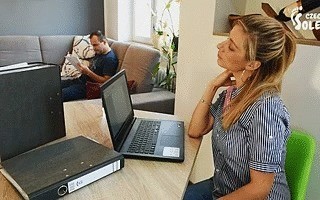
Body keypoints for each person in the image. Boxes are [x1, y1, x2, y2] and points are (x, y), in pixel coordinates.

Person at [184, 15, 296, 200]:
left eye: (231, 46)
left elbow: (259, 189)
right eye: (228, 39)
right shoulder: (232, 93)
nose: (220, 46)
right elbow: (196, 130)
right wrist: (211, 87)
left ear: (252, 64)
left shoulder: (266, 110)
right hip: (223, 188)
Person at [61, 30, 118, 102]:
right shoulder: (99, 53)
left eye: (95, 45)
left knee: (61, 94)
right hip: (80, 80)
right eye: (92, 45)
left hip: (88, 87)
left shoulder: (110, 59)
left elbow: (106, 81)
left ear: (104, 42)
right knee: (55, 83)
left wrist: (88, 72)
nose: (93, 48)